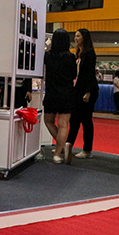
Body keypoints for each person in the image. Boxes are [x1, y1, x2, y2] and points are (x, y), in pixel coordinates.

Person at [42, 28, 76, 163]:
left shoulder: (47, 56)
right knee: (63, 124)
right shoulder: (71, 57)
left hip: (51, 92)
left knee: (48, 121)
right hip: (67, 93)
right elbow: (74, 75)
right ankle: (58, 153)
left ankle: (61, 145)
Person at [66, 28, 99, 162]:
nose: (75, 38)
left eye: (78, 36)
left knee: (86, 120)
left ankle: (87, 150)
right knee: (74, 119)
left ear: (84, 38)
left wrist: (88, 92)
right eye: (75, 36)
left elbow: (90, 74)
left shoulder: (89, 53)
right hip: (78, 90)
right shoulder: (78, 53)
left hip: (87, 91)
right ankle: (68, 145)